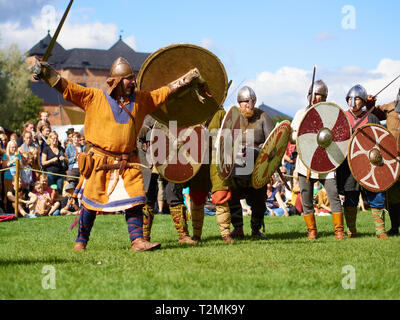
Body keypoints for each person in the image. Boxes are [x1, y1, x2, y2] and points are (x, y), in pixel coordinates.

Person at [32, 55, 207, 252]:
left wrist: (187, 78)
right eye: (128, 78)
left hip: (128, 162)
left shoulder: (142, 100)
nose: (133, 82)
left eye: (133, 78)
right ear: (115, 81)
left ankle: (138, 241)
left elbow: (165, 92)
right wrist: (46, 73)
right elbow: (67, 87)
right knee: (91, 204)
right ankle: (81, 242)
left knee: (135, 200)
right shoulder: (93, 97)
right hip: (99, 161)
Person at [291, 80, 345, 240]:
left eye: (319, 95)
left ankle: (339, 231)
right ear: (308, 96)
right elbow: (293, 138)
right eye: (313, 95)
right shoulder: (301, 113)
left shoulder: (330, 113)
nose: (315, 99)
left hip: (326, 161)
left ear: (324, 97)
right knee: (306, 198)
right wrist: (301, 133)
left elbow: (339, 135)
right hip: (305, 163)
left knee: (333, 195)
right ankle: (312, 231)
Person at [337, 84, 390, 238]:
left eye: (357, 99)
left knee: (376, 194)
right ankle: (351, 230)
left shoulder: (371, 117)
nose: (353, 102)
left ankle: (380, 231)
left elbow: (381, 140)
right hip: (348, 165)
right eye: (350, 99)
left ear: (363, 101)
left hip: (370, 164)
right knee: (350, 197)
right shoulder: (342, 118)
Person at [229, 86, 275, 239]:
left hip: (257, 165)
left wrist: (262, 150)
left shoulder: (263, 117)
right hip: (237, 164)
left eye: (251, 101)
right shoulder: (233, 117)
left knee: (258, 199)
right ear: (239, 103)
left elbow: (273, 143)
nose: (248, 105)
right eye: (245, 102)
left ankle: (256, 230)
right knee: (233, 196)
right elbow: (225, 141)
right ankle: (238, 229)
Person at [2, 141, 22, 210]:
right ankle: (6, 209)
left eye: (15, 147)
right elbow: (4, 166)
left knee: (16, 193)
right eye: (12, 147)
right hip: (8, 178)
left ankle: (16, 209)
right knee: (7, 194)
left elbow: (21, 166)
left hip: (17, 178)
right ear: (9, 147)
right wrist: (12, 162)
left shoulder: (18, 155)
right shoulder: (6, 155)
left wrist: (18, 162)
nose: (14, 149)